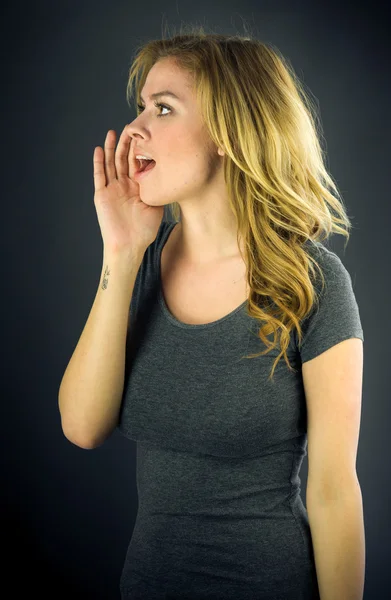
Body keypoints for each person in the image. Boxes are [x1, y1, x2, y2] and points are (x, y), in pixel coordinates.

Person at [59, 26, 365, 600]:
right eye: (142, 107)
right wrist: (121, 255)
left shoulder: (313, 283)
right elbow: (82, 426)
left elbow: (333, 493)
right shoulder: (141, 265)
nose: (135, 128)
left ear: (228, 132)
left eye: (164, 108)